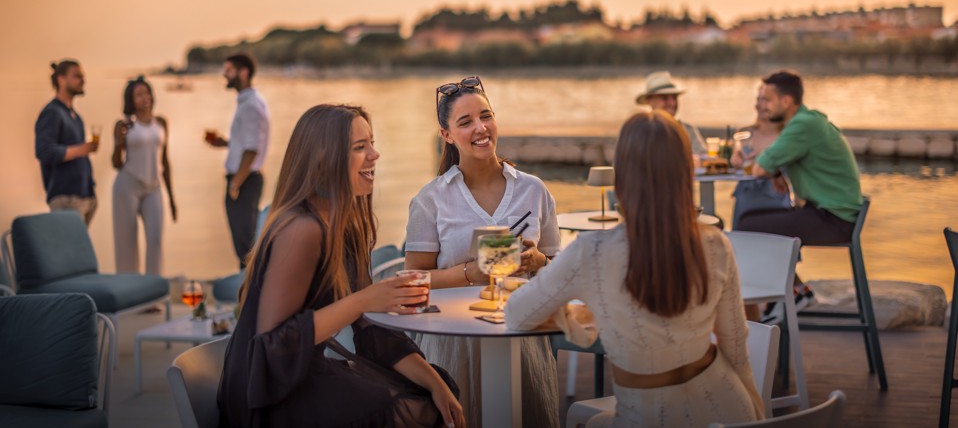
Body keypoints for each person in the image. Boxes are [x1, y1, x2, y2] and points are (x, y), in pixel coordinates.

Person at [505, 110, 763, 427]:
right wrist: (758, 417)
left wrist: (583, 317)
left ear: (622, 175)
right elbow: (736, 347)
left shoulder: (592, 252)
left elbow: (517, 315)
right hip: (728, 411)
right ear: (685, 174)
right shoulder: (715, 244)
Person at [218, 104, 464, 428]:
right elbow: (273, 346)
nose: (374, 155)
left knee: (436, 391)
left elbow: (372, 332)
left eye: (372, 143)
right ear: (324, 158)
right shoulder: (301, 229)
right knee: (402, 411)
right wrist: (363, 301)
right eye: (360, 147)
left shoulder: (346, 225)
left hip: (304, 371)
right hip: (265, 395)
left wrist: (435, 382)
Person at [404, 75, 561, 428]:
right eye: (466, 122)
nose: (481, 127)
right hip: (452, 345)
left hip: (521, 341)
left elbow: (559, 274)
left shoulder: (534, 191)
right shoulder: (431, 200)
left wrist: (539, 263)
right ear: (446, 135)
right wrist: (469, 274)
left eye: (486, 116)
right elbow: (412, 280)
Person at [737, 70, 862, 245]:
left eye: (767, 100)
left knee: (748, 226)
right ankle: (781, 274)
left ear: (786, 101)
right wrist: (777, 174)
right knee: (749, 218)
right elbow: (769, 165)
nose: (762, 106)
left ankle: (772, 273)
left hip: (833, 220)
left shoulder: (803, 125)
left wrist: (772, 171)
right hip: (830, 214)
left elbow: (759, 169)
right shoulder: (807, 121)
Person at [205, 53, 270, 269]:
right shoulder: (249, 101)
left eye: (229, 70)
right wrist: (226, 143)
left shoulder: (251, 105)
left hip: (244, 181)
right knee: (245, 245)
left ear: (244, 72)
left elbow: (251, 150)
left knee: (246, 249)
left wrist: (235, 184)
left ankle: (248, 298)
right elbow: (247, 143)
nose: (225, 74)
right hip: (246, 179)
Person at [111, 76, 177, 275]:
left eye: (146, 93)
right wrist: (118, 142)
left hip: (154, 188)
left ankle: (153, 295)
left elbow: (165, 161)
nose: (144, 98)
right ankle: (129, 292)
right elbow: (116, 163)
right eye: (138, 95)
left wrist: (172, 198)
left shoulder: (161, 123)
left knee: (155, 240)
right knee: (126, 243)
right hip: (127, 185)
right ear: (131, 100)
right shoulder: (124, 125)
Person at [34, 60, 98, 226]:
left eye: (83, 76)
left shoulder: (75, 116)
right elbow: (45, 152)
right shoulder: (52, 113)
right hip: (65, 198)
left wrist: (91, 190)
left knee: (78, 251)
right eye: (77, 76)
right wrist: (82, 149)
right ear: (61, 79)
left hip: (84, 197)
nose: (83, 80)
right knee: (68, 251)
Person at [728, 83, 791, 229]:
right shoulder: (744, 133)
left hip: (777, 198)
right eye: (759, 100)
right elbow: (735, 163)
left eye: (766, 100)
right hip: (747, 198)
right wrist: (734, 161)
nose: (760, 105)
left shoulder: (788, 135)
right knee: (743, 243)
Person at [635, 70, 707, 157]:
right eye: (664, 98)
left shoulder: (689, 131)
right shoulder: (639, 133)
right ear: (649, 101)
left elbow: (702, 158)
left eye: (674, 97)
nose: (672, 103)